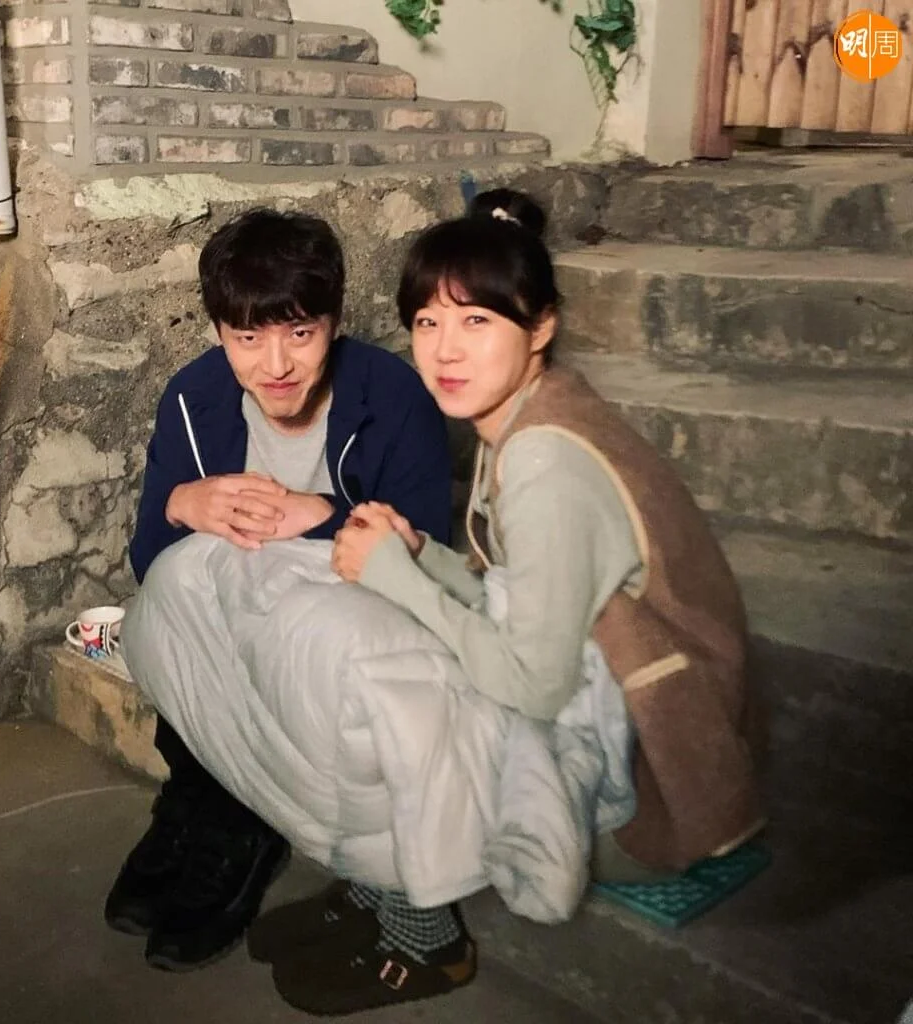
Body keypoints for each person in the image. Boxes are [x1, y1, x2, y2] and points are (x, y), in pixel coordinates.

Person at [250, 189, 763, 1015]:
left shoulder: (544, 461)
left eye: (478, 320)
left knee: (385, 684)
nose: (445, 349)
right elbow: (519, 594)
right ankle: (373, 884)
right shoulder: (526, 413)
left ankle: (417, 927)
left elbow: (534, 685)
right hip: (611, 703)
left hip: (651, 780)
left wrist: (399, 579)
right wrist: (421, 558)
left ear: (542, 326)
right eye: (427, 321)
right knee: (369, 641)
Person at [106, 207, 453, 972]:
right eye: (247, 338)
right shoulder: (195, 399)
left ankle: (241, 825)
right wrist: (179, 504)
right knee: (180, 589)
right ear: (219, 333)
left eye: (300, 332)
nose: (276, 366)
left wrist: (321, 516)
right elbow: (151, 567)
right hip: (232, 627)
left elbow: (432, 561)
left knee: (279, 614)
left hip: (336, 638)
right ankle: (196, 800)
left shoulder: (391, 396)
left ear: (334, 322)